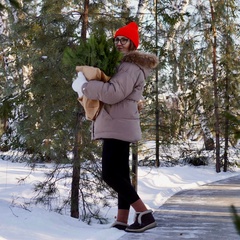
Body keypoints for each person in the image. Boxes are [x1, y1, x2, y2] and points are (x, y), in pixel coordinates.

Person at [72, 22, 158, 233]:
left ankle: (145, 214)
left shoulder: (130, 67)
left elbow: (112, 93)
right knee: (120, 173)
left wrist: (84, 87)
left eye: (124, 40)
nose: (119, 43)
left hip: (118, 123)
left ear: (132, 44)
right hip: (119, 122)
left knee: (110, 174)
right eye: (117, 39)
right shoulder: (123, 65)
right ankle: (122, 219)